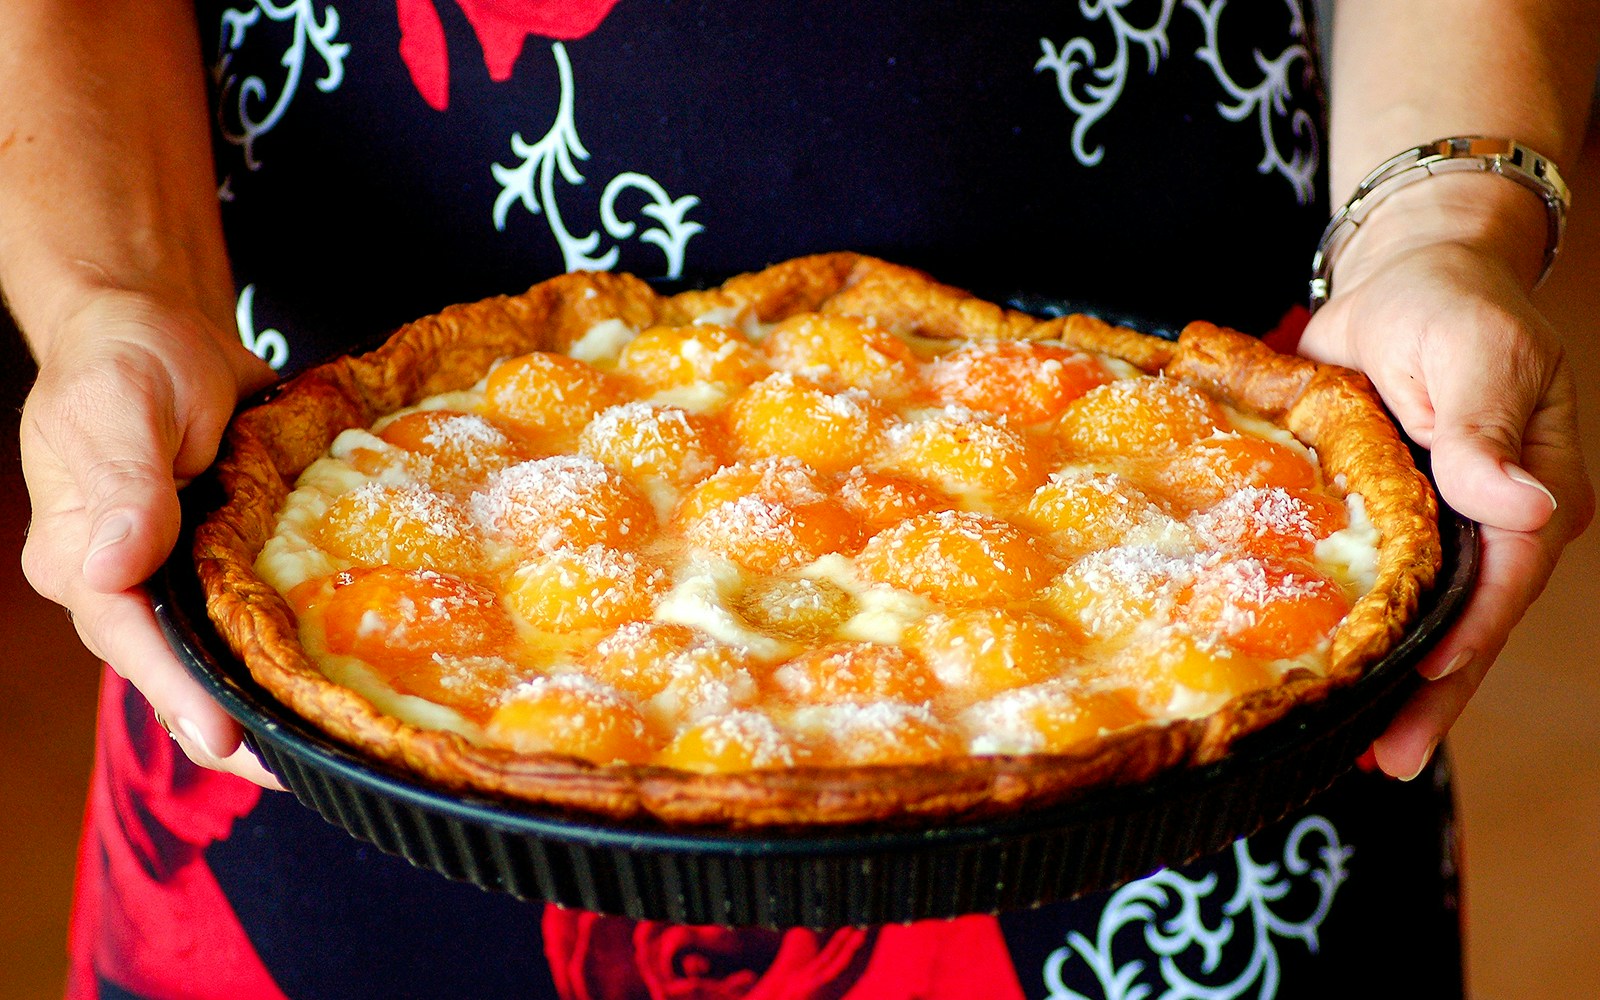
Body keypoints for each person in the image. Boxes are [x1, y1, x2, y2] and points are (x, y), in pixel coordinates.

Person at [3, 1, 1594, 997]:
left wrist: (1435, 225)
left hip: (1199, 664)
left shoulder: (1267, 548)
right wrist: (111, 304)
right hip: (336, 678)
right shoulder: (327, 537)